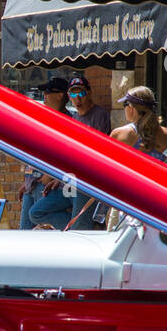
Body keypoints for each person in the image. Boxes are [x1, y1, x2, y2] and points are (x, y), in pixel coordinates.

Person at [21, 76, 74, 229]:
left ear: (60, 95)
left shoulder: (69, 122)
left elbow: (68, 155)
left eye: (48, 92)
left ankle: (76, 228)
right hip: (32, 183)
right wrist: (26, 179)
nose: (44, 95)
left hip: (48, 185)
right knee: (23, 236)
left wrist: (52, 174)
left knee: (40, 222)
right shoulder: (45, 119)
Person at [65, 75, 111, 229]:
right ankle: (72, 231)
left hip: (89, 178)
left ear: (89, 93)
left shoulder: (100, 115)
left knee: (79, 224)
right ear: (68, 96)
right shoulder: (73, 119)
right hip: (71, 177)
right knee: (38, 211)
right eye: (73, 94)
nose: (77, 99)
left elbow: (101, 149)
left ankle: (79, 233)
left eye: (81, 94)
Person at [111, 86, 167, 160]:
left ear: (130, 107)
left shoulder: (120, 134)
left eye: (125, 104)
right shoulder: (166, 134)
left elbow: (105, 166)